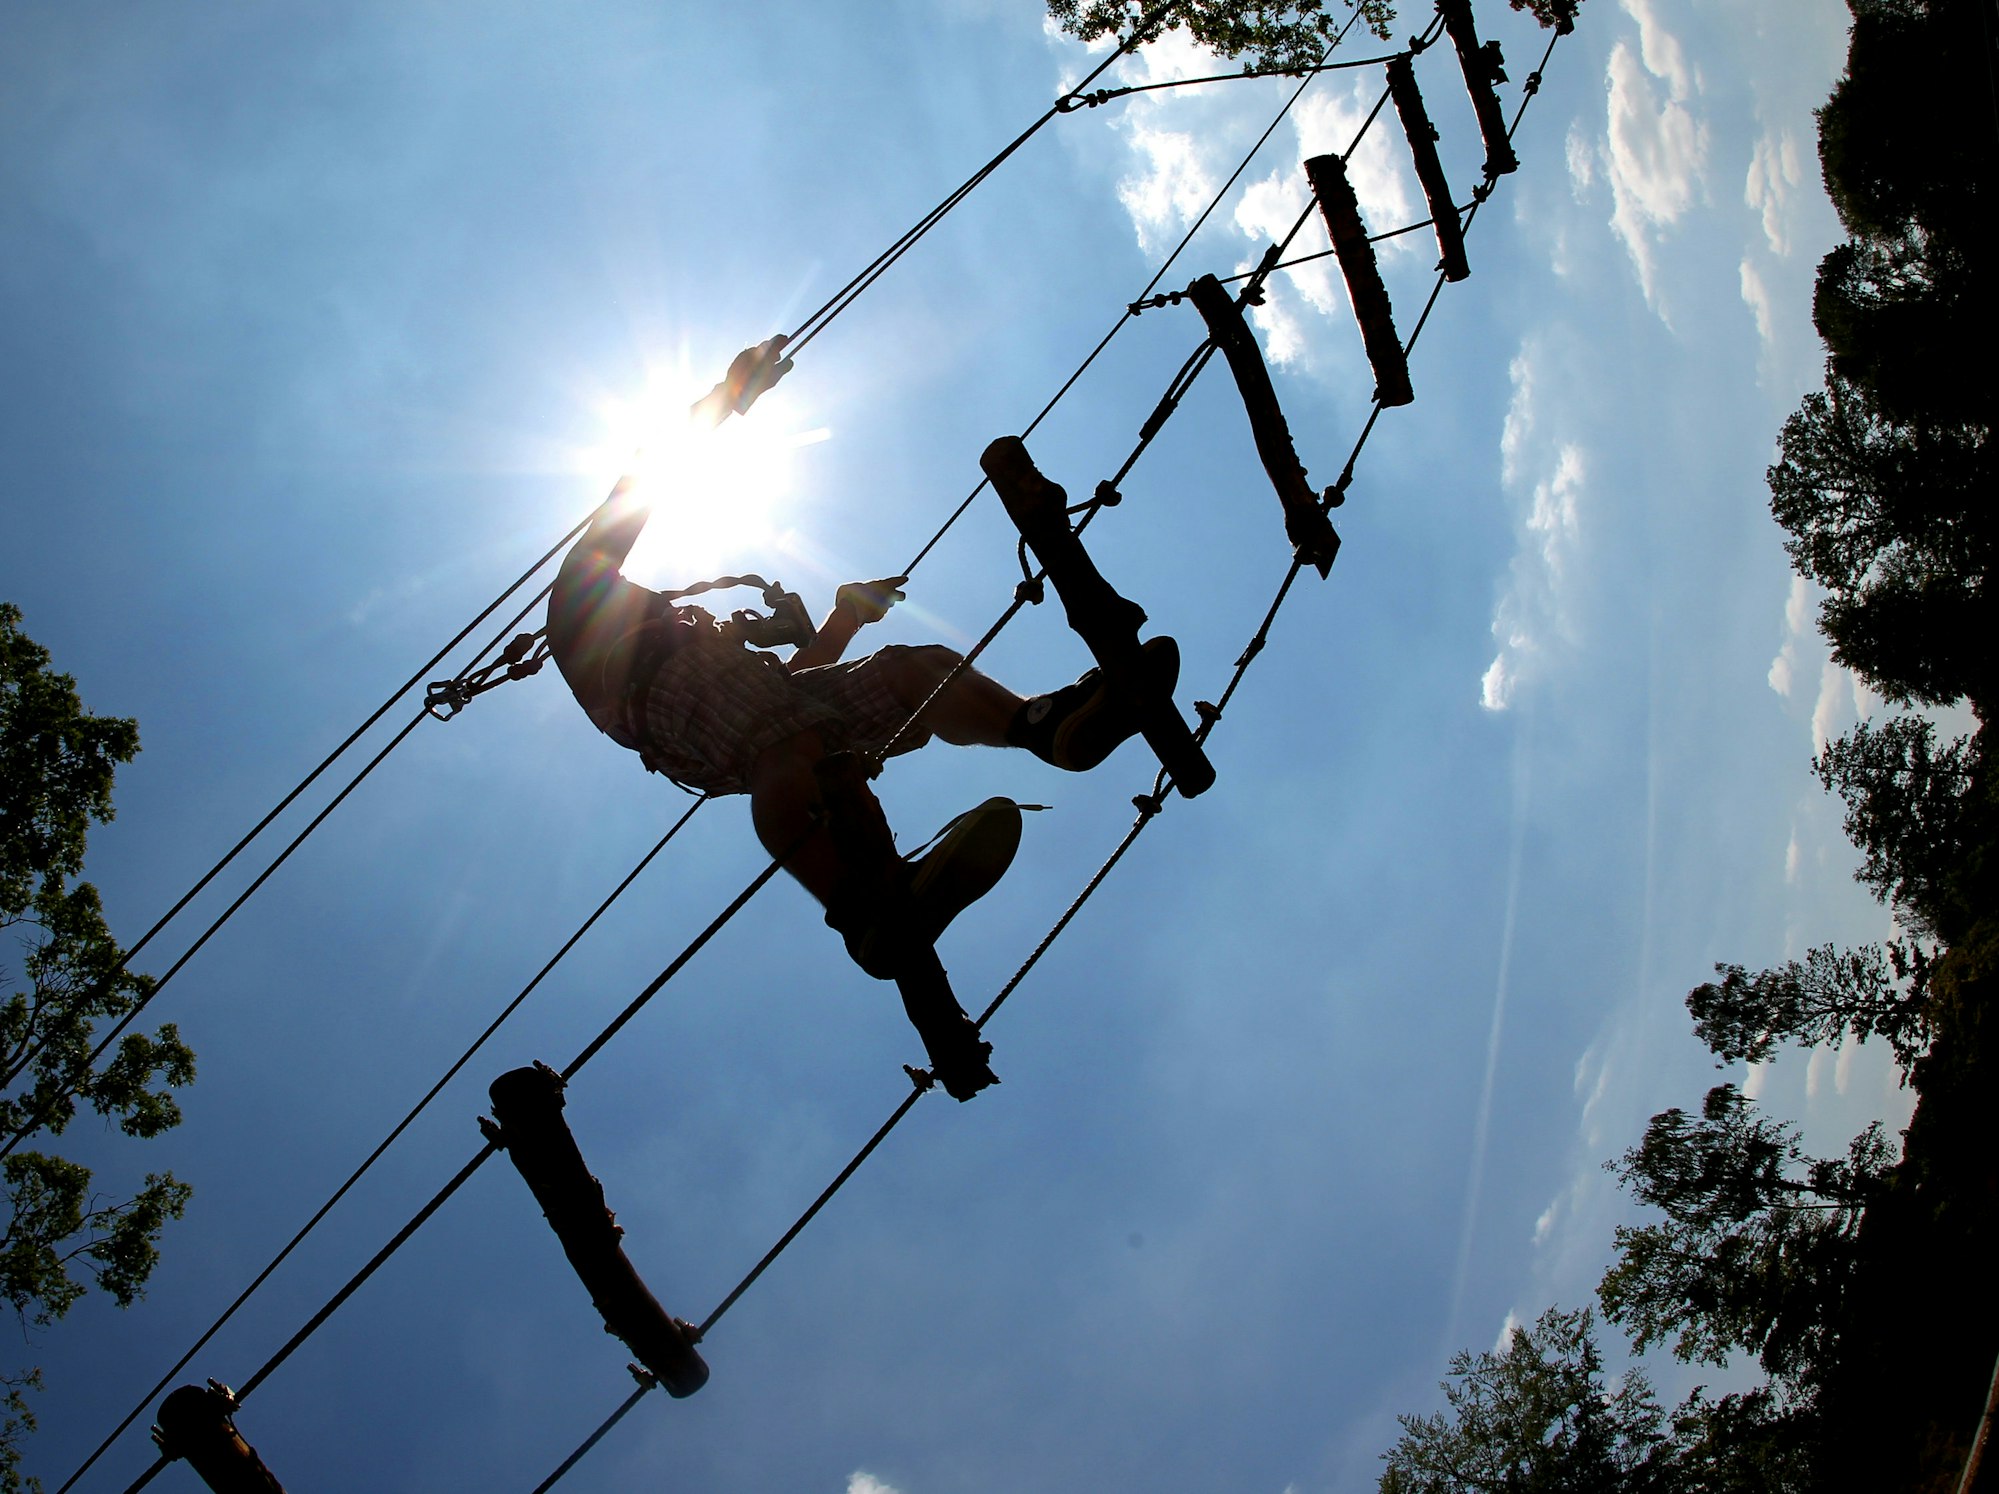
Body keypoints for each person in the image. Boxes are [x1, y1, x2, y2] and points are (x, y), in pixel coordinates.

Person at [545, 452, 1178, 983]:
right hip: (669, 702)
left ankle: (1042, 727)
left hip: (758, 703)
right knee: (783, 743)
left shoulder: (706, 656)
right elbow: (632, 497)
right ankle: (859, 907)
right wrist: (718, 405)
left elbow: (794, 686)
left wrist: (847, 614)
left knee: (912, 671)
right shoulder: (586, 619)